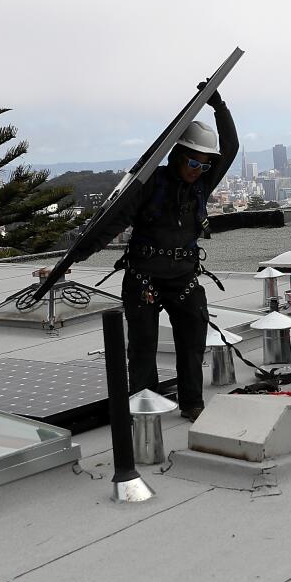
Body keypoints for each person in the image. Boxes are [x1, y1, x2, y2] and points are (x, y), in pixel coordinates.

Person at [74, 86, 237, 421]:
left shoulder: (200, 188)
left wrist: (219, 106)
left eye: (205, 165)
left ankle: (192, 402)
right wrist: (79, 255)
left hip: (184, 279)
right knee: (143, 349)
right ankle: (146, 406)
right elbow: (113, 221)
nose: (198, 169)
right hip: (144, 278)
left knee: (192, 343)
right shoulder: (149, 185)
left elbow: (231, 148)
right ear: (178, 156)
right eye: (193, 161)